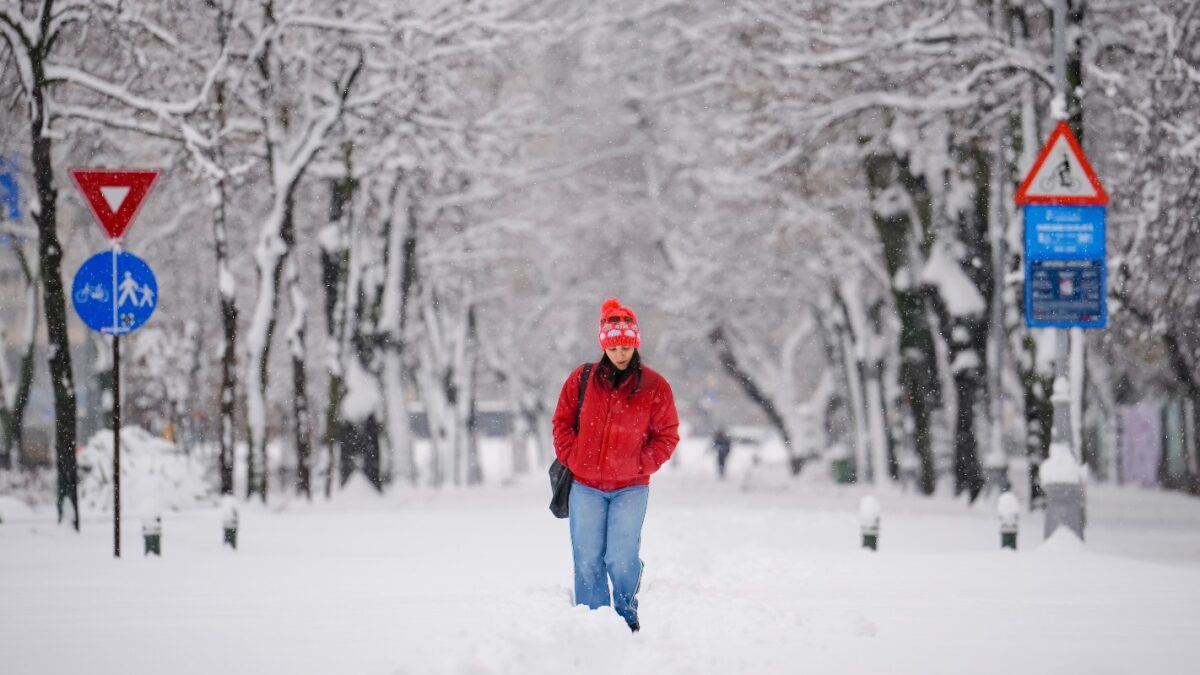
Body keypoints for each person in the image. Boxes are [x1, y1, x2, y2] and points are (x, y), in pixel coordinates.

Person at [552, 297, 680, 633]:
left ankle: (625, 615)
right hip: (586, 486)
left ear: (635, 344)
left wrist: (640, 463)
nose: (620, 354)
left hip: (631, 488)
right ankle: (594, 623)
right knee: (587, 559)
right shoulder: (581, 379)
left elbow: (667, 435)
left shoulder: (655, 386)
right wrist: (572, 456)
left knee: (620, 558)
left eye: (626, 347)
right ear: (603, 346)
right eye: (614, 347)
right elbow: (562, 423)